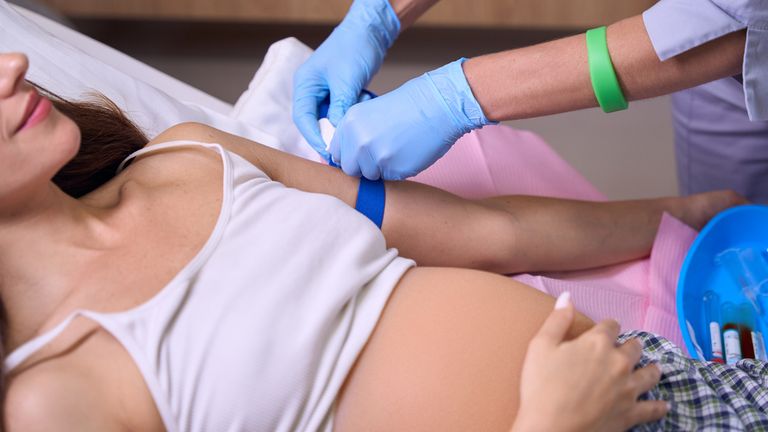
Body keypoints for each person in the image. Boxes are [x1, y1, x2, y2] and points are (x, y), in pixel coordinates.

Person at [0, 52, 746, 431]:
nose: (13, 65)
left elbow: (491, 234)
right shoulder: (52, 400)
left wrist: (697, 211)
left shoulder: (188, 159)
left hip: (653, 385)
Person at [292, 0, 767, 201]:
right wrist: (379, 14)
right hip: (721, 67)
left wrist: (460, 95)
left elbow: (730, 22)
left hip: (735, 26)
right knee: (732, 228)